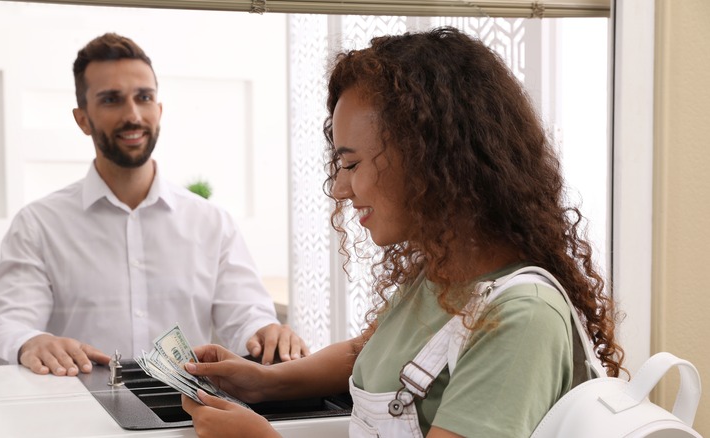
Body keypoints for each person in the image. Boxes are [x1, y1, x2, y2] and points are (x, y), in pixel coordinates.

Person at [179, 26, 625, 437]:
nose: (338, 189)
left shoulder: (522, 319)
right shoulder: (440, 275)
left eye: (351, 164)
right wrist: (262, 382)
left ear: (431, 159)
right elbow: (368, 352)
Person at [0, 33, 308, 376]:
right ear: (83, 120)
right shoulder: (38, 224)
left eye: (144, 97)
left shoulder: (211, 223)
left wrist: (266, 335)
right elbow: (2, 331)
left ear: (159, 110)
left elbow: (246, 320)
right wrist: (30, 342)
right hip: (77, 419)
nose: (132, 115)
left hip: (187, 418)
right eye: (111, 100)